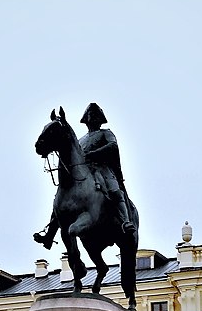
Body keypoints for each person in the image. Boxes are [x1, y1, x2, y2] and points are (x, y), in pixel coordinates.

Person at [34, 103, 135, 250]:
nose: (91, 118)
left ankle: (126, 221)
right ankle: (49, 235)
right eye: (89, 116)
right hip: (84, 171)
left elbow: (113, 146)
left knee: (115, 191)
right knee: (60, 202)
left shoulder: (106, 133)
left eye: (94, 116)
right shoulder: (81, 139)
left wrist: (94, 154)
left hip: (102, 169)